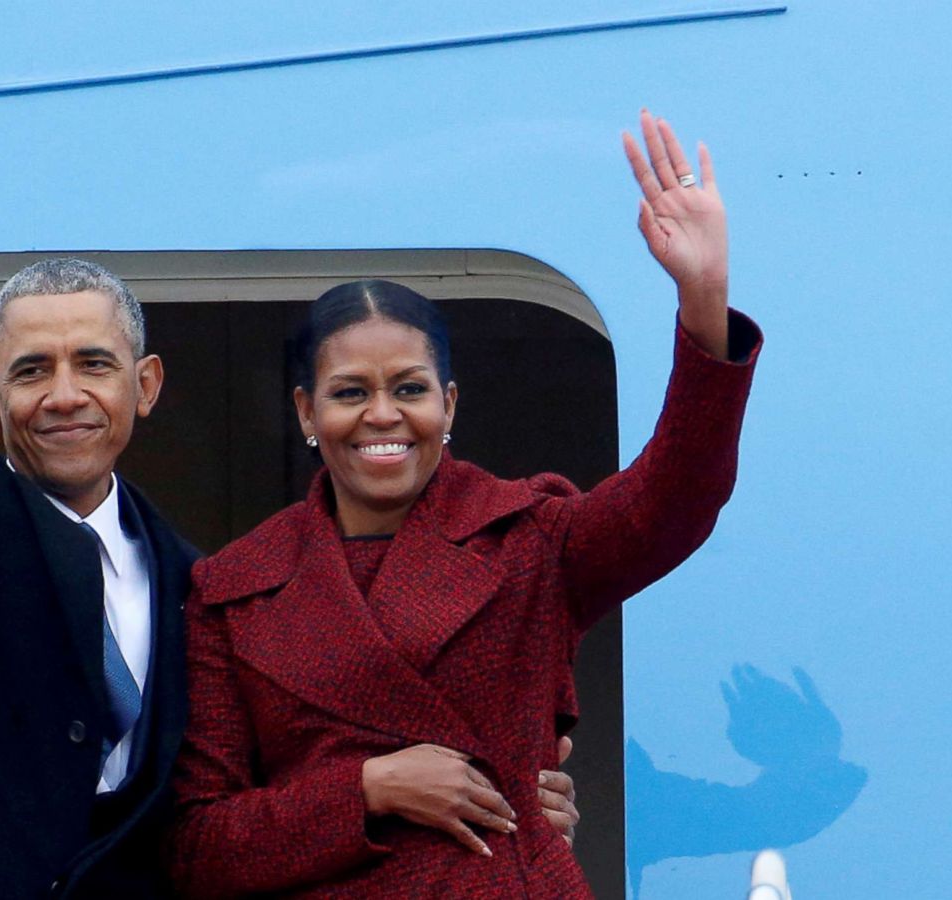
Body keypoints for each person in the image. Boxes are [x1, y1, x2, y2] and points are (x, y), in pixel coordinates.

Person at [0, 11, 578, 898]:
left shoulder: (201, 584)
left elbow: (251, 787)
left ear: (145, 385)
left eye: (95, 364)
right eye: (32, 370)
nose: (65, 394)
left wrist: (508, 775)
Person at [166, 111, 762, 898]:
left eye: (409, 389)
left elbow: (676, 499)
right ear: (308, 414)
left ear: (448, 405)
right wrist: (371, 789)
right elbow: (200, 849)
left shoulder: (531, 537)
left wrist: (703, 299)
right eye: (351, 393)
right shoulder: (231, 591)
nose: (383, 415)